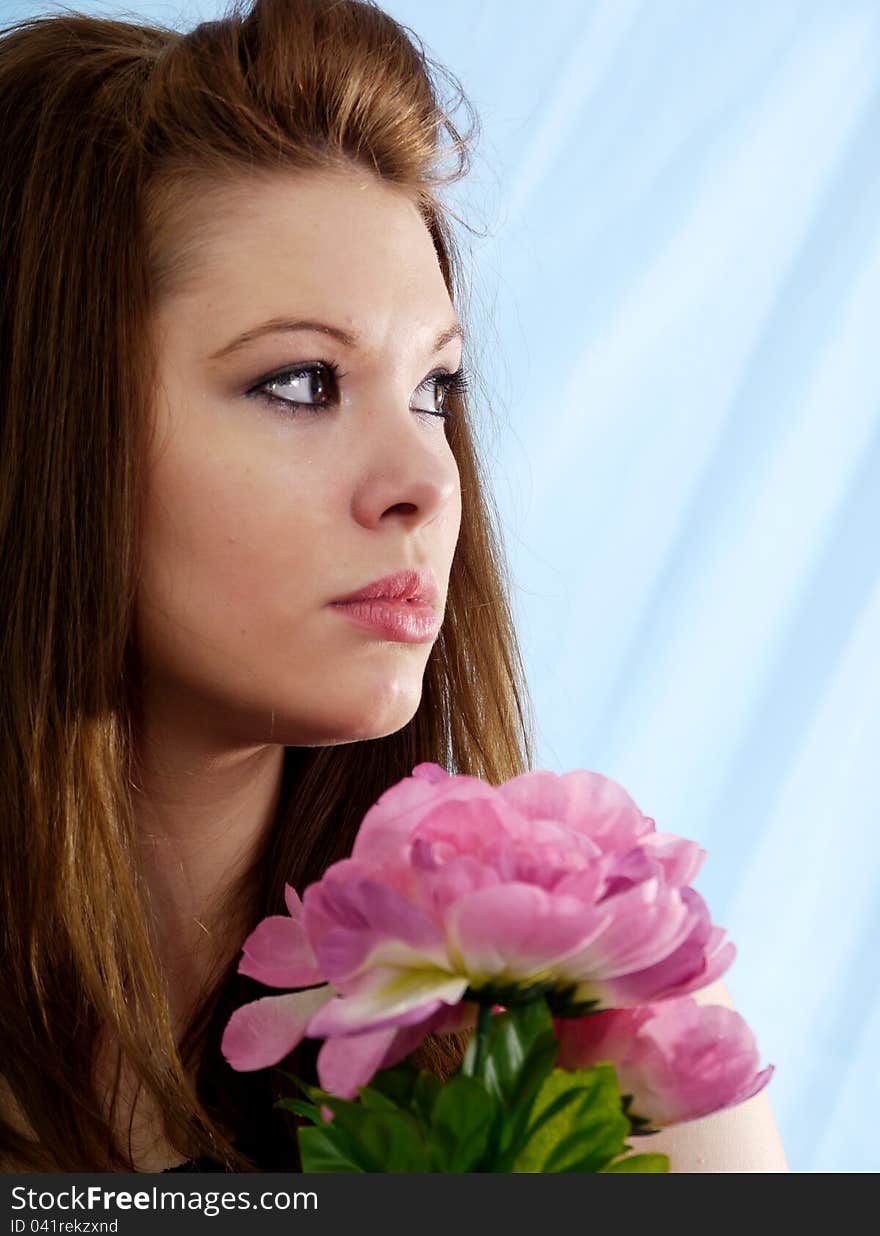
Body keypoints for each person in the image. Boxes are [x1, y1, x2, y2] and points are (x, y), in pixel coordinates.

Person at [0, 0, 787, 1174]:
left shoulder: (598, 1040)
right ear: (44, 426)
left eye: (436, 388)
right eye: (305, 381)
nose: (426, 479)